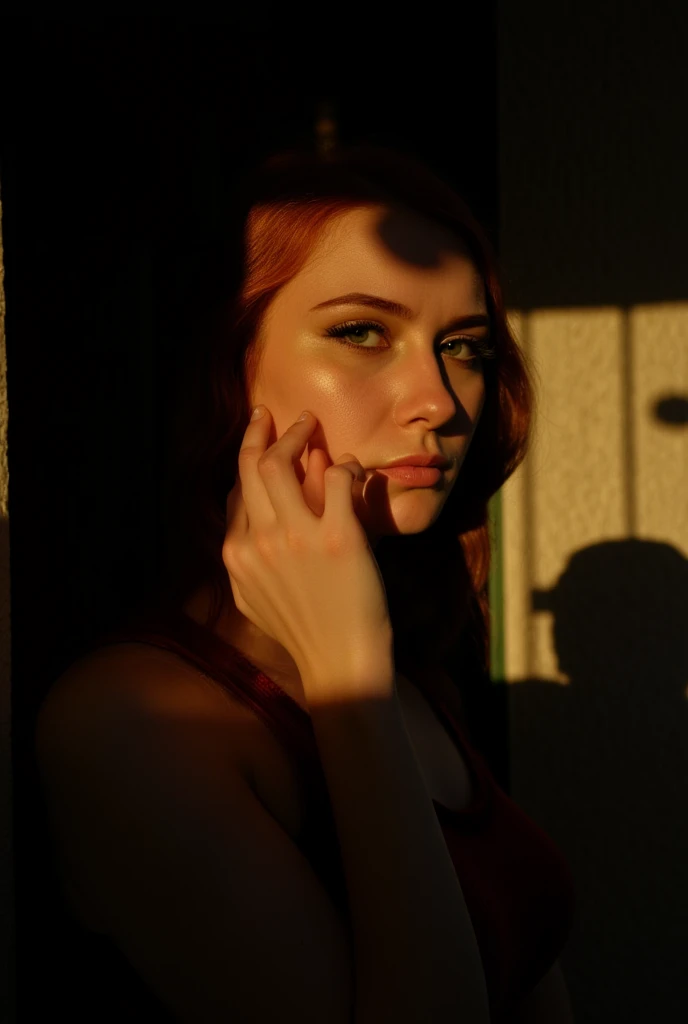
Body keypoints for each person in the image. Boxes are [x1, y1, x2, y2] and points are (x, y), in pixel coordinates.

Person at [33, 145, 576, 1022]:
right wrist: (346, 667)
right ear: (228, 363)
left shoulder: (408, 667)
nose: (441, 401)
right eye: (362, 332)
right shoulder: (126, 722)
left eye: (463, 346)